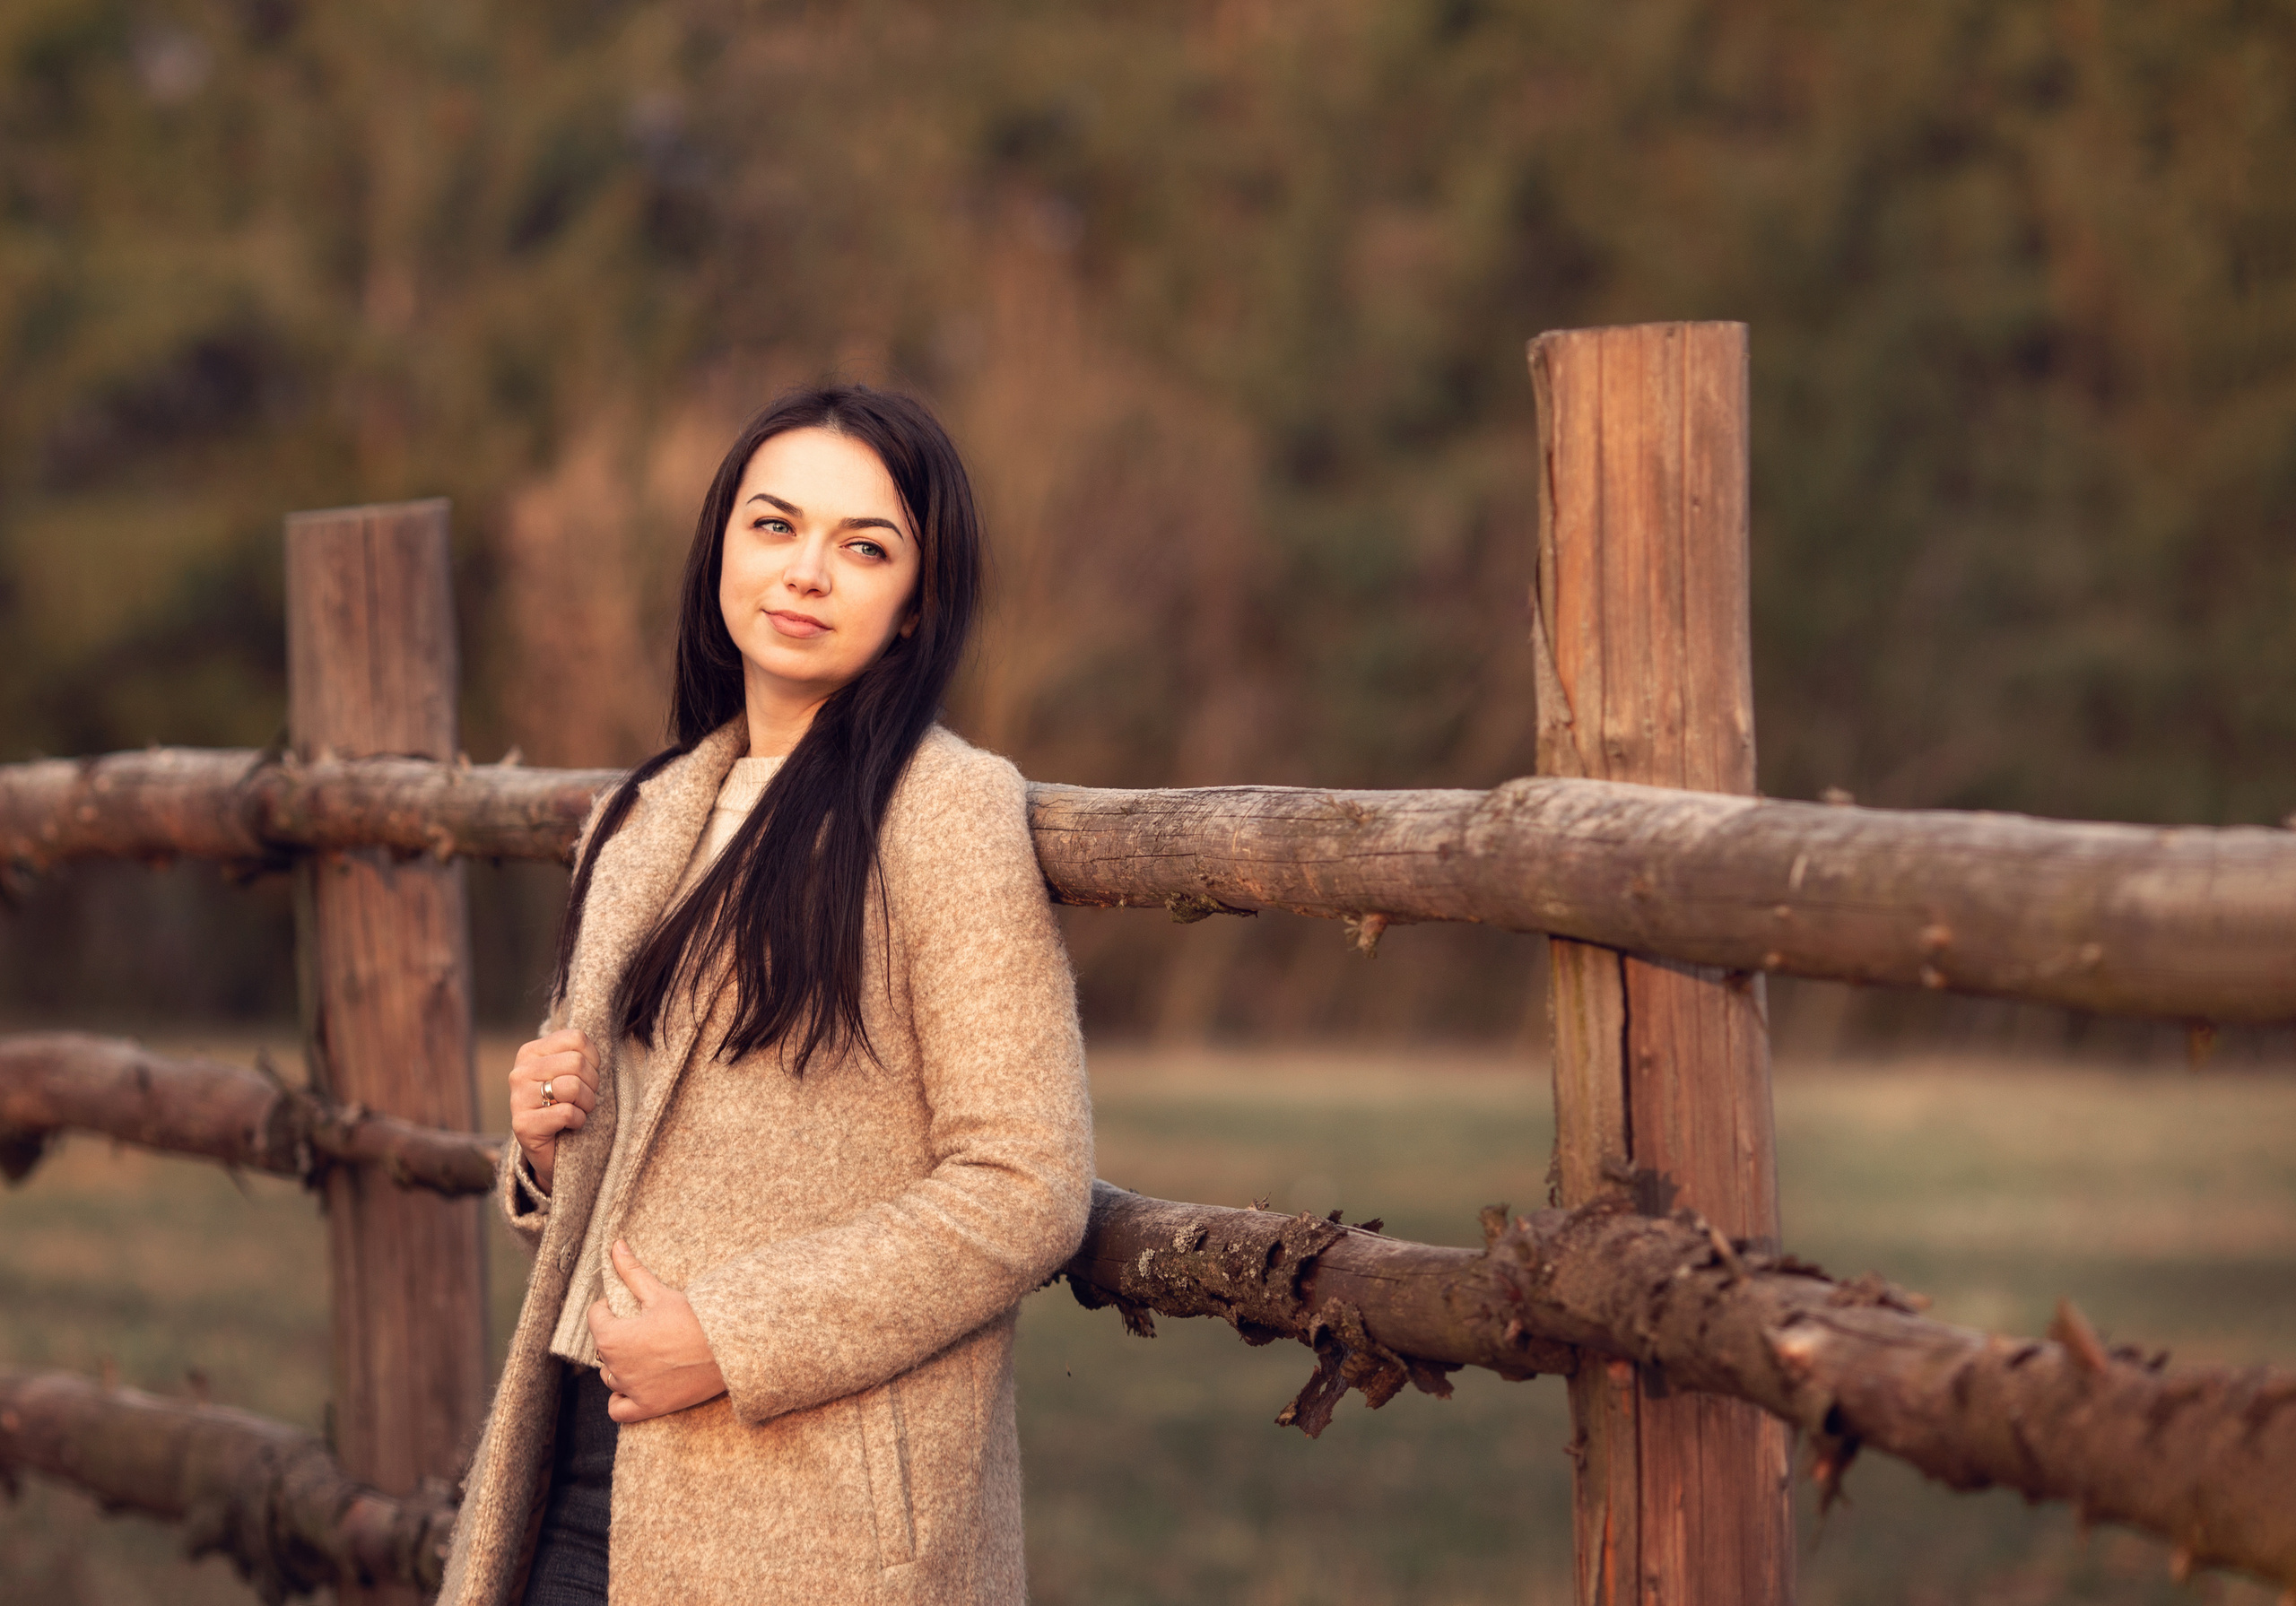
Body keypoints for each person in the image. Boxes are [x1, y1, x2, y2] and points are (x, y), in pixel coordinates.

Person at [438, 386, 1095, 1606]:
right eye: (774, 526)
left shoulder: (945, 811)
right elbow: (620, 1175)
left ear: (915, 607)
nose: (806, 573)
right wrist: (537, 1145)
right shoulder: (639, 818)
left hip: (807, 1500)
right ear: (722, 551)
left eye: (864, 548)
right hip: (572, 1463)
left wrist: (734, 1337)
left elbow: (1029, 1181)